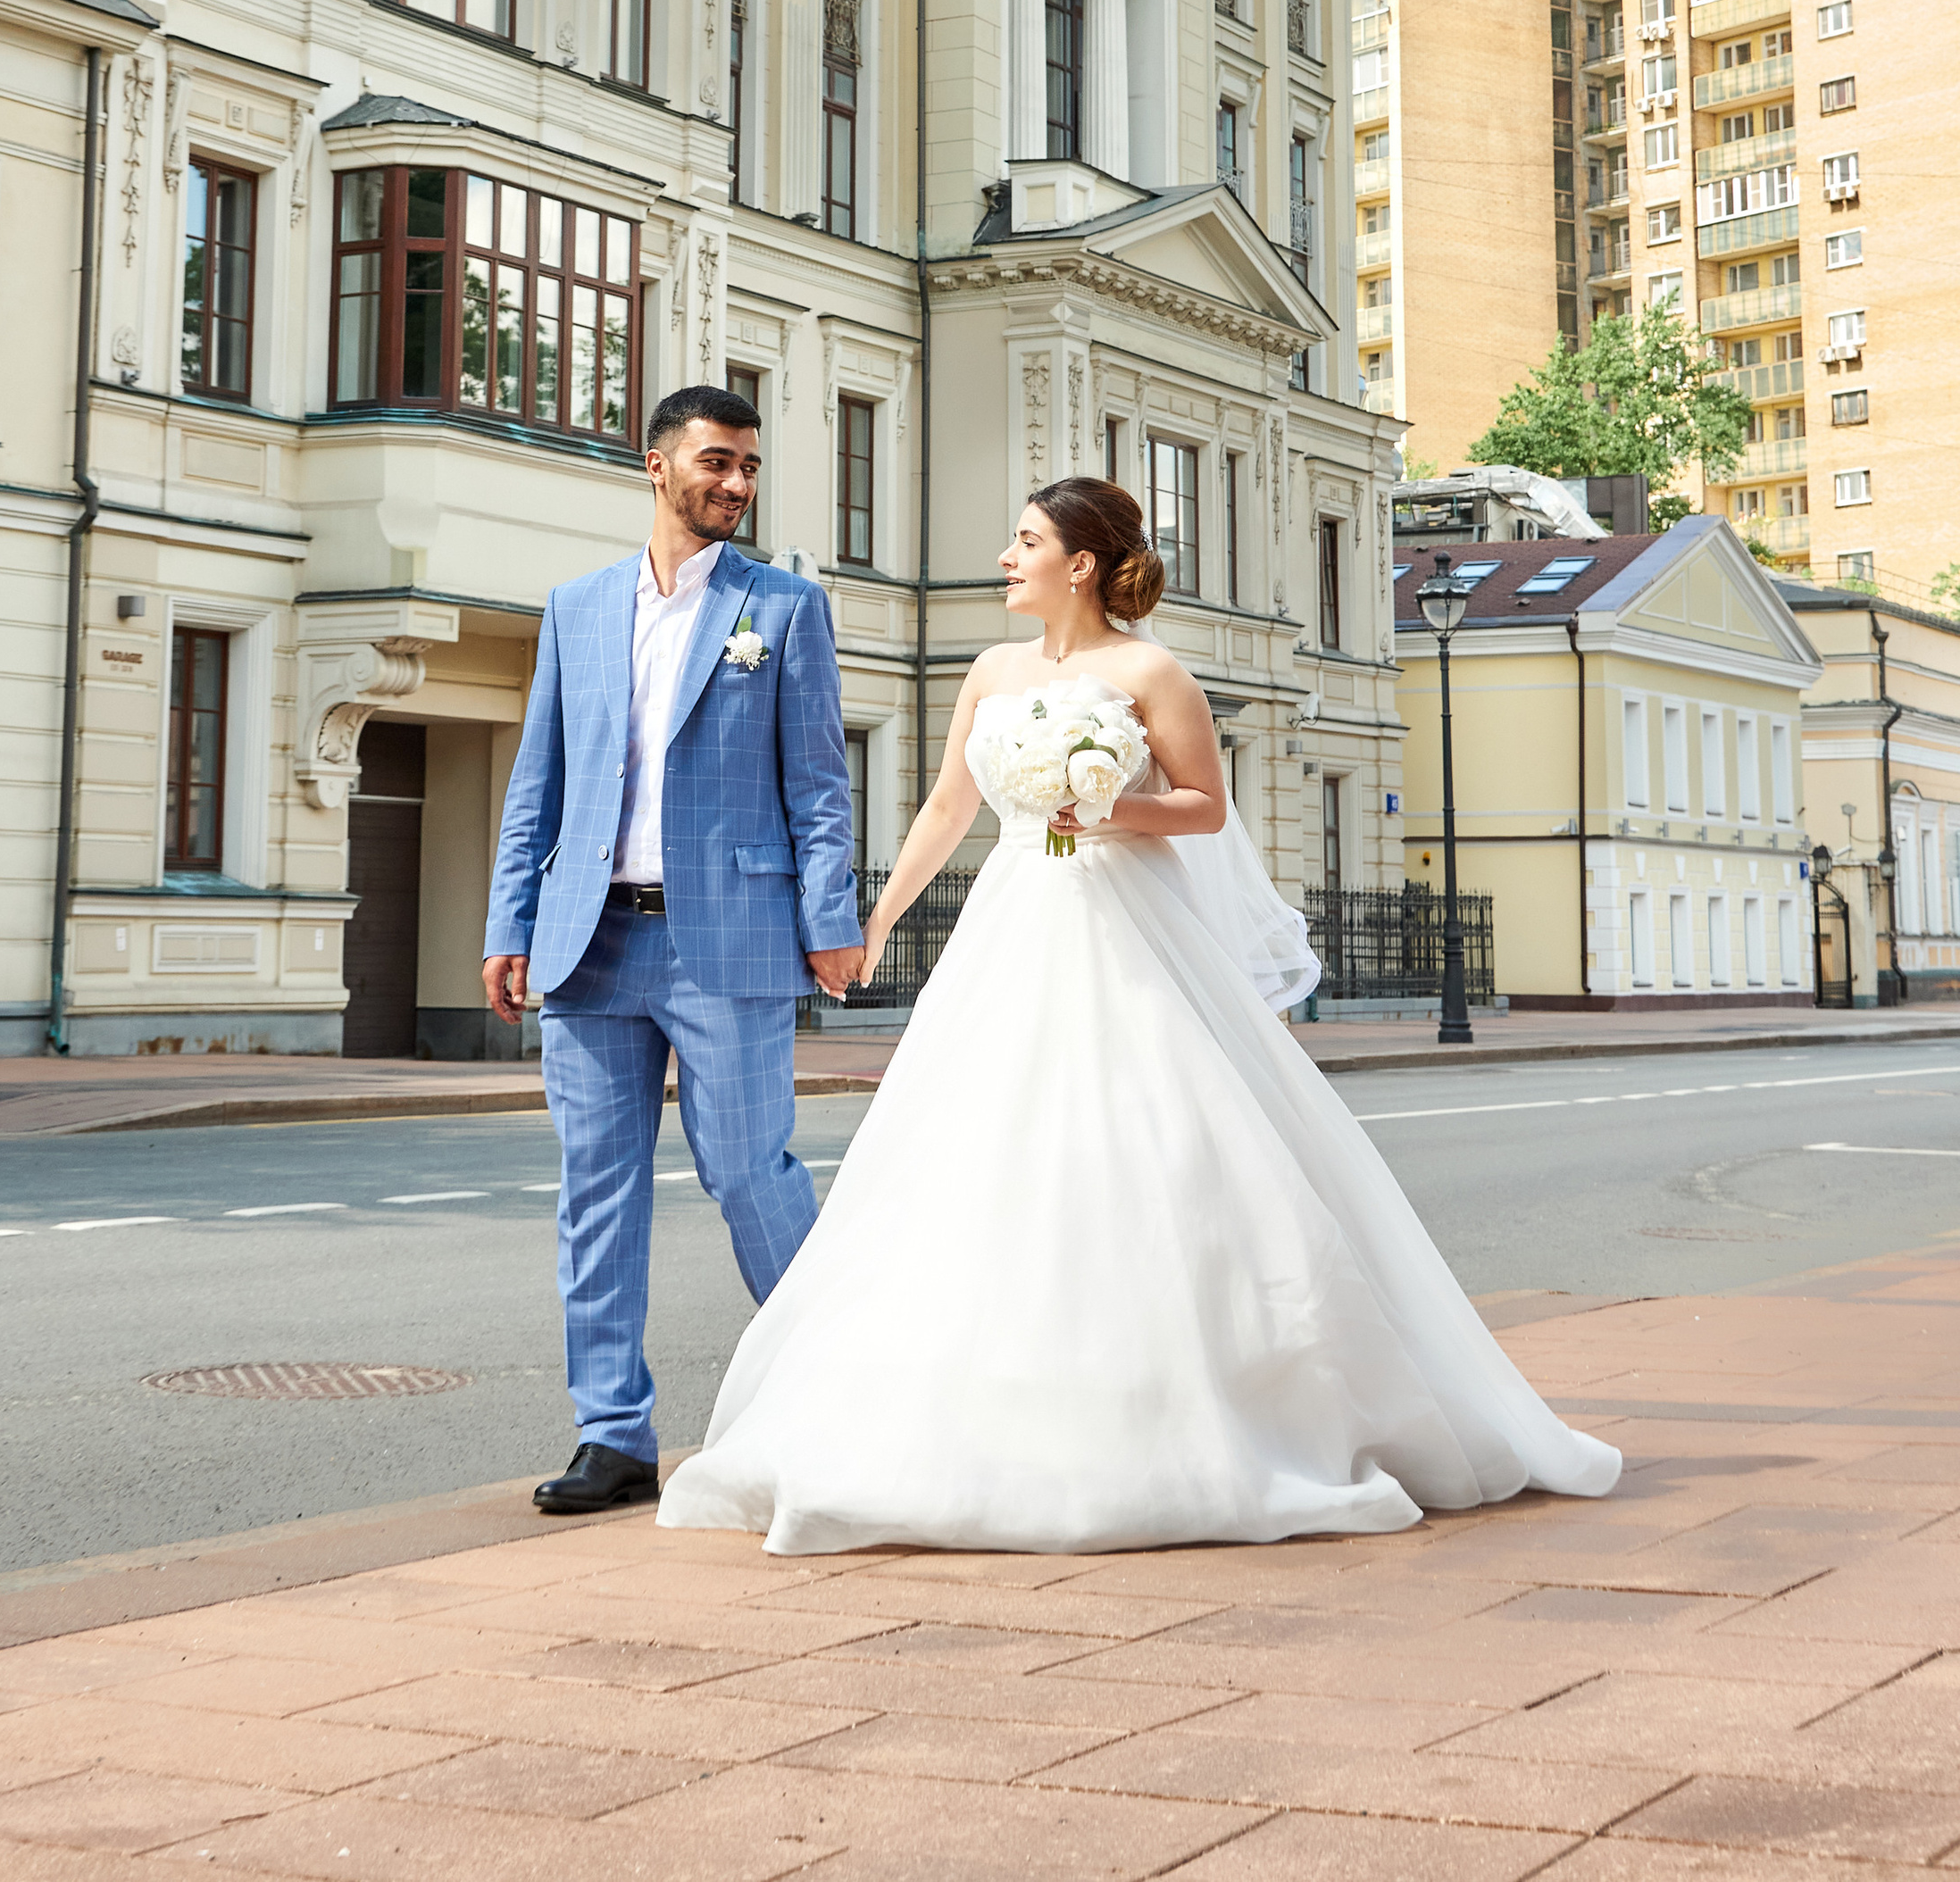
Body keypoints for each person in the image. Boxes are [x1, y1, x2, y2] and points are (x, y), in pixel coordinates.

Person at [659, 473, 1621, 1555]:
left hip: (1120, 916)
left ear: (1079, 563)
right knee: (973, 1149)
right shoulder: (989, 669)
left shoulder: (1150, 670)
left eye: (1024, 541)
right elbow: (945, 806)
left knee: (1148, 1137)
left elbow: (1205, 807)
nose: (1004, 557)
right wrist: (876, 923)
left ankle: (1191, 1412)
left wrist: (1106, 804)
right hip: (1012, 918)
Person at [482, 383, 863, 1518]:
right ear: (657, 466)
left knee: (751, 1173)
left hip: (730, 942)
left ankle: (831, 1403)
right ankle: (613, 1435)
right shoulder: (578, 608)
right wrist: (512, 920)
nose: (735, 484)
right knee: (595, 1193)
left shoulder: (781, 610)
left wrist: (830, 916)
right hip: (588, 940)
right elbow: (536, 780)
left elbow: (820, 787)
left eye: (748, 467)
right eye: (716, 463)